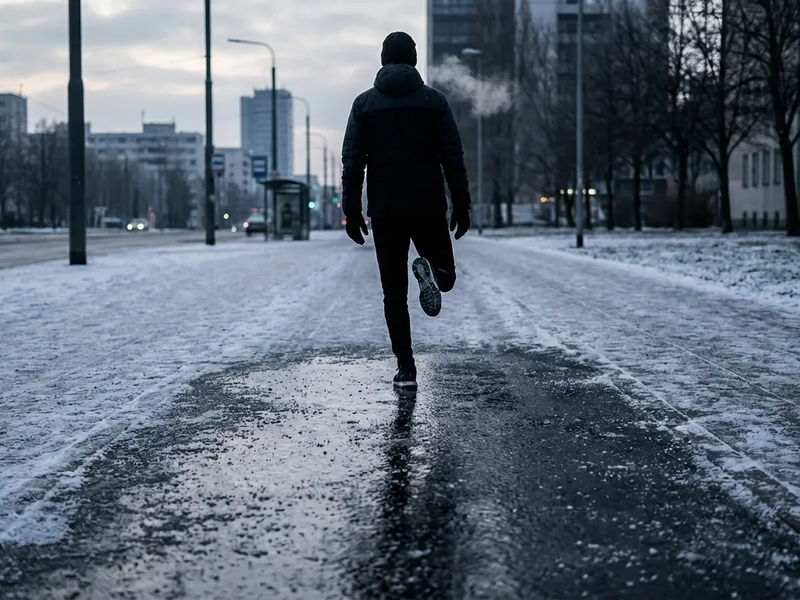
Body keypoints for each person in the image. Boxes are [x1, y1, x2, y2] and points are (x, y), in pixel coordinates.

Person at [341, 31, 471, 389]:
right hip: (428, 206)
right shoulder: (434, 101)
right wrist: (462, 204)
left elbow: (353, 162)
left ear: (383, 60)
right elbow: (452, 157)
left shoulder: (364, 105)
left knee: (394, 293)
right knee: (447, 276)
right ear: (413, 59)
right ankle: (434, 273)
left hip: (386, 211)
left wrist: (352, 210)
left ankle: (406, 368)